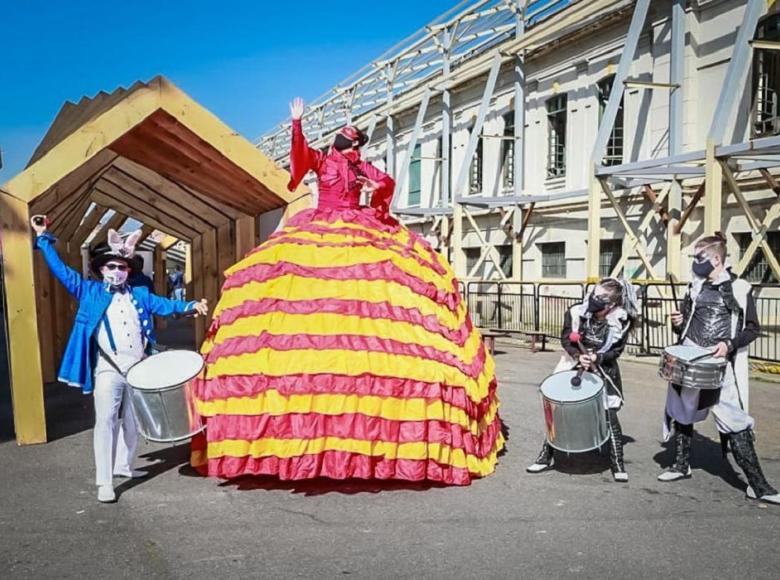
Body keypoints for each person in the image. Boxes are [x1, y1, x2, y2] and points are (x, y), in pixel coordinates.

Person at [190, 97, 503, 485]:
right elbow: (301, 157)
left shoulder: (360, 164)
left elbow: (386, 183)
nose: (349, 144)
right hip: (322, 224)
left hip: (361, 224)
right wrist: (298, 123)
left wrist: (375, 186)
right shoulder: (324, 161)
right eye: (346, 139)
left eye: (353, 141)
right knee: (306, 307)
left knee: (380, 306)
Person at [31, 216, 208, 503]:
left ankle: (123, 465)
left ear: (128, 270)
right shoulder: (88, 290)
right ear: (101, 269)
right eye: (111, 266)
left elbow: (165, 305)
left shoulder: (139, 293)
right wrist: (43, 237)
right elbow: (60, 271)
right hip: (107, 368)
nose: (117, 271)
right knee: (106, 421)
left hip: (138, 368)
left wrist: (191, 305)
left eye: (122, 267)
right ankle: (104, 481)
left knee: (133, 420)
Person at [658, 233, 779, 504]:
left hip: (719, 365)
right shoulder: (694, 287)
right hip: (690, 359)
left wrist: (729, 344)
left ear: (715, 259)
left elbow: (752, 329)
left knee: (735, 421)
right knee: (682, 412)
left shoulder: (740, 288)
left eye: (698, 257)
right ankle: (680, 465)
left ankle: (758, 486)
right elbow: (686, 324)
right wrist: (678, 322)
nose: (694, 263)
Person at [527, 278, 638, 482]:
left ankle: (617, 464)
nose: (594, 299)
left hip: (603, 371)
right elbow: (566, 338)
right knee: (559, 413)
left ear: (612, 304)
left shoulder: (621, 320)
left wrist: (598, 358)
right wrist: (579, 356)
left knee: (609, 416)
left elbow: (616, 351)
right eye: (594, 293)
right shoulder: (576, 312)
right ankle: (545, 457)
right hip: (573, 366)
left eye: (601, 297)